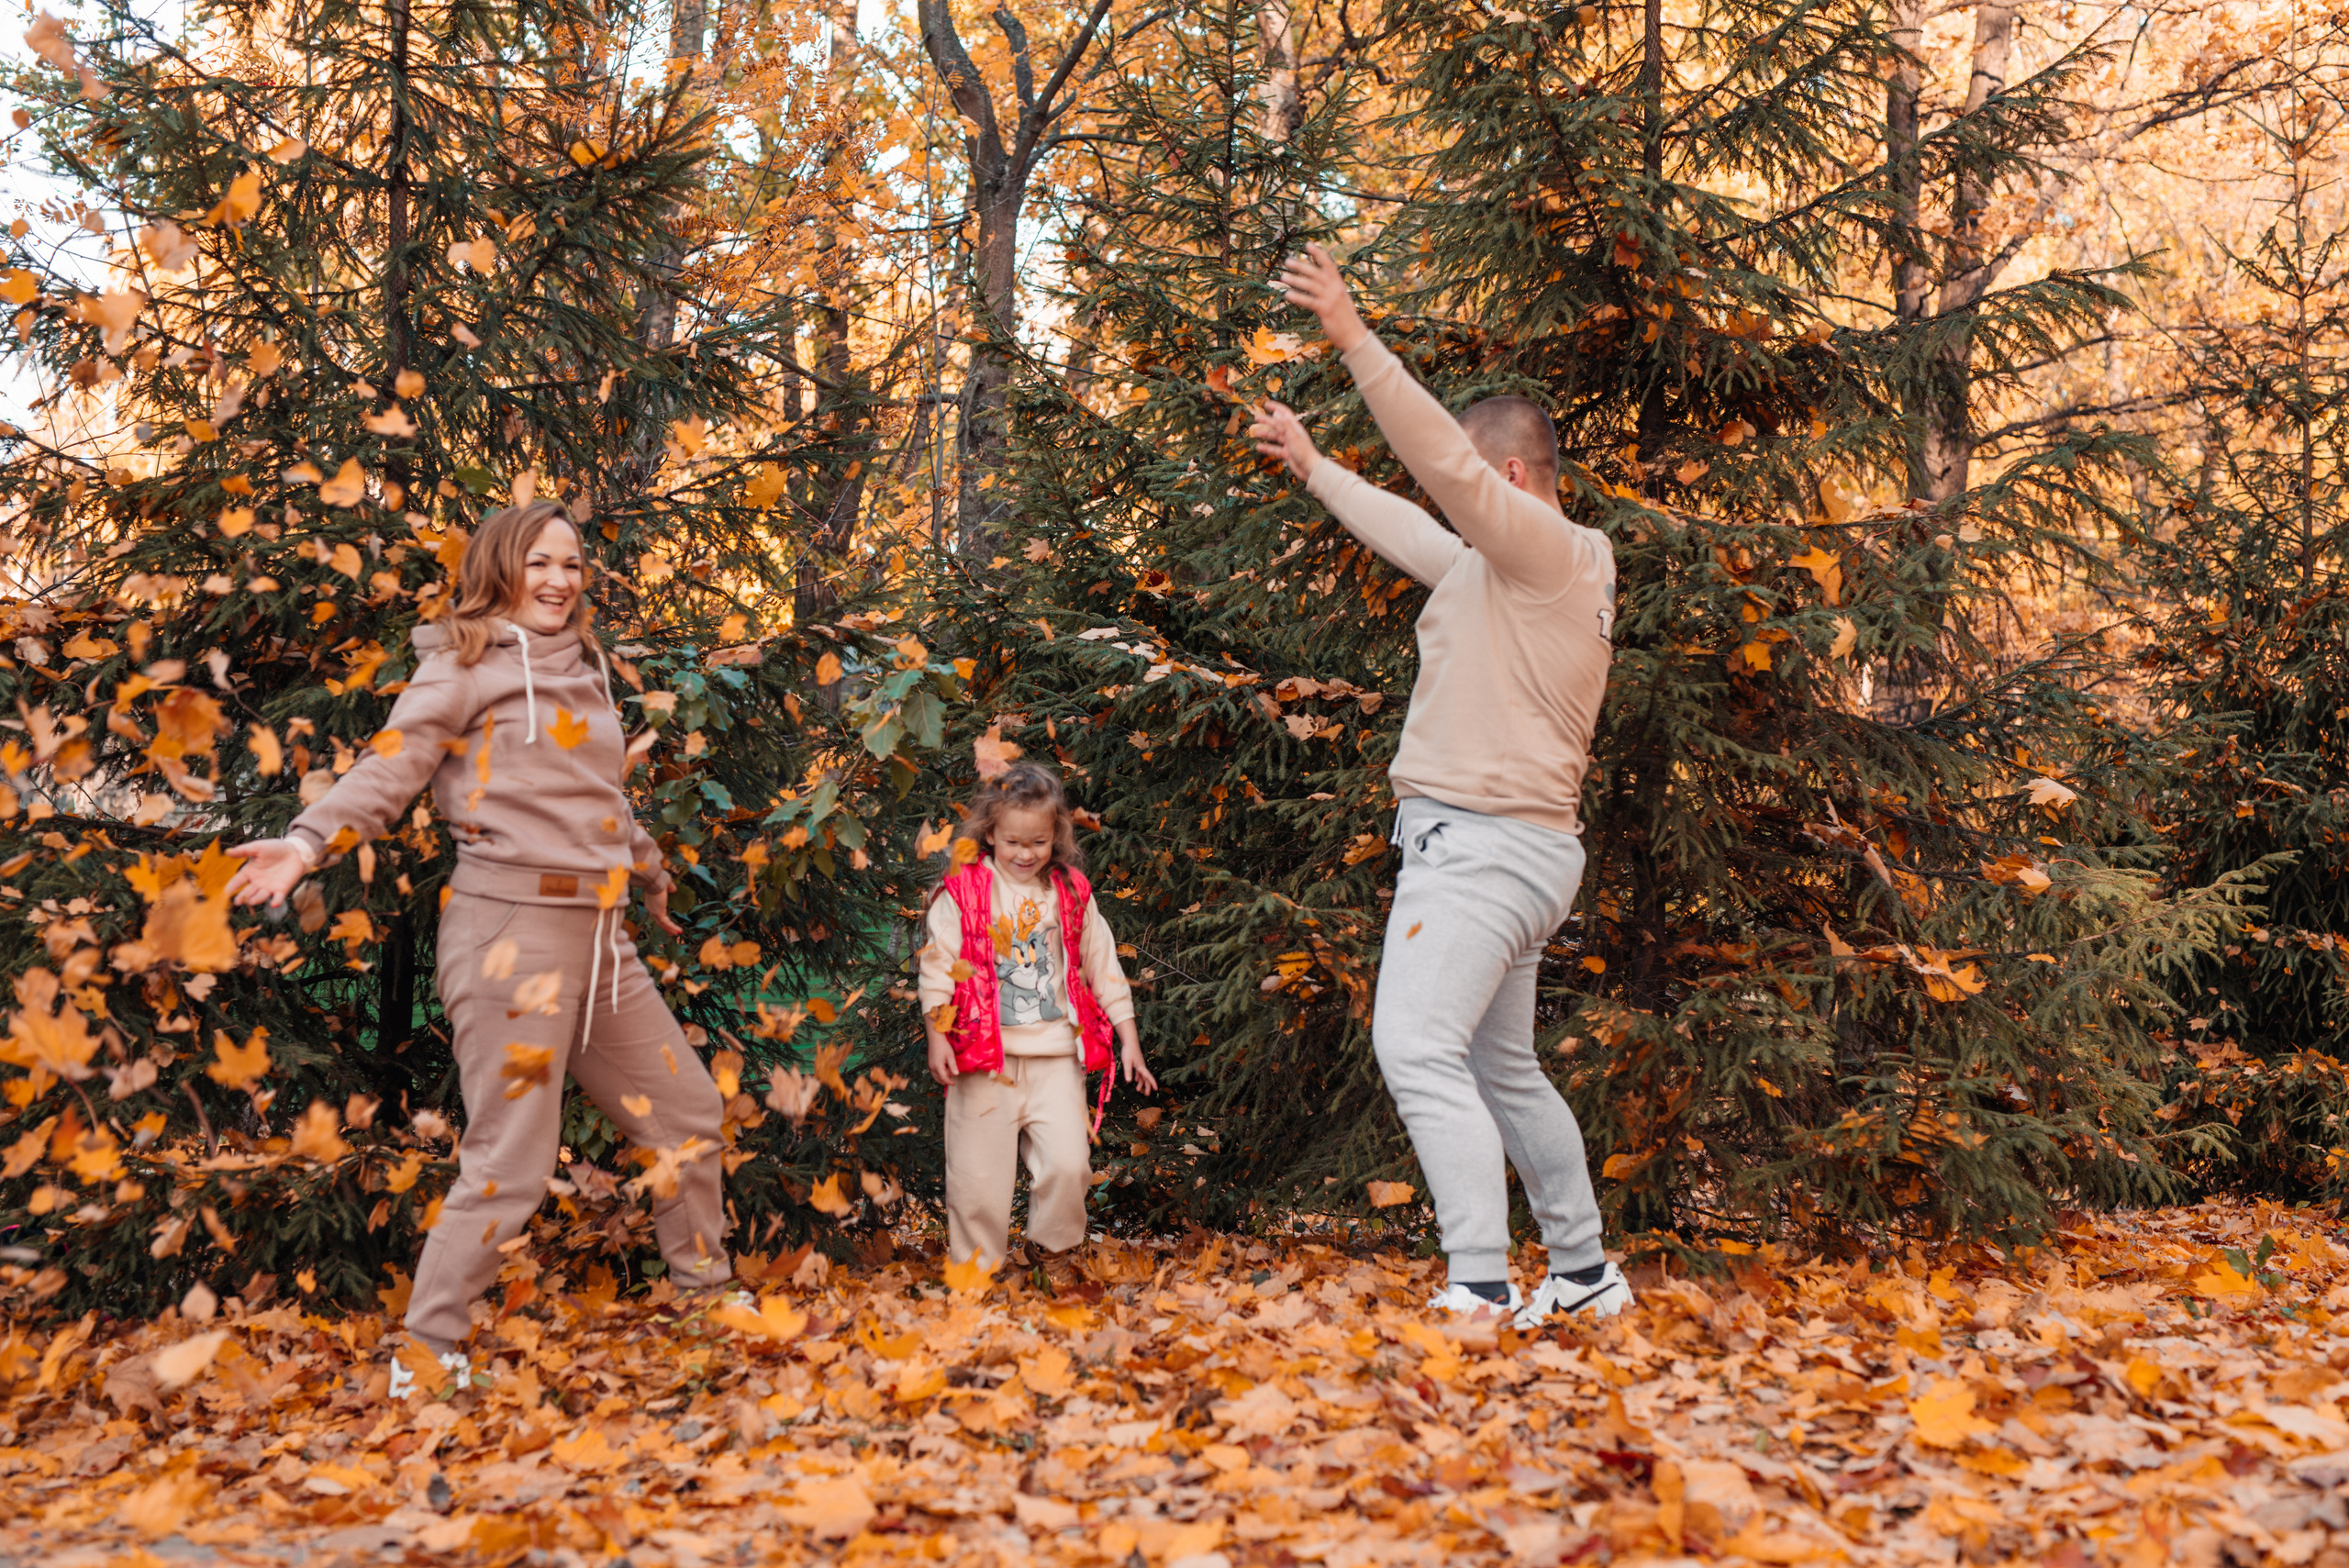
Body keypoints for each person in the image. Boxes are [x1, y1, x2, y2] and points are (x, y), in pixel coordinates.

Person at [225, 499, 733, 1387]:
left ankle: (708, 1304)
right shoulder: (461, 664)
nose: (558, 580)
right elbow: (391, 765)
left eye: (571, 564)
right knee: (512, 1160)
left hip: (601, 941)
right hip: (510, 934)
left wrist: (650, 872)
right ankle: (426, 1356)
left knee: (686, 1113)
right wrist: (306, 844)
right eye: (539, 562)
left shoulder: (584, 668)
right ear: (501, 567)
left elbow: (596, 797)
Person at [1249, 242, 1631, 1327]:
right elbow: (1417, 527)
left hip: (1481, 850)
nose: (1462, 502)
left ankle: (1476, 1282)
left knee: (1414, 1046)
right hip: (1517, 851)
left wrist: (1351, 334)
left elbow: (1444, 482)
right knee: (1504, 1067)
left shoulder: (1554, 551)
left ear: (1509, 480)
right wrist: (1315, 466)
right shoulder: (1507, 572)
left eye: (1474, 484)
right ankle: (1584, 1275)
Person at [917, 762, 1157, 1278]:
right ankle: (976, 1276)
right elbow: (938, 967)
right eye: (1013, 842)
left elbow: (1103, 965)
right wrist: (937, 1036)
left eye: (1039, 843)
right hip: (983, 1060)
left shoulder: (1070, 891)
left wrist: (1129, 1039)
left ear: (1056, 837)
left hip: (1056, 1059)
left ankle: (1050, 1254)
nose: (1025, 854)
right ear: (990, 834)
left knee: (1070, 1165)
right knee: (977, 1181)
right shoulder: (965, 891)